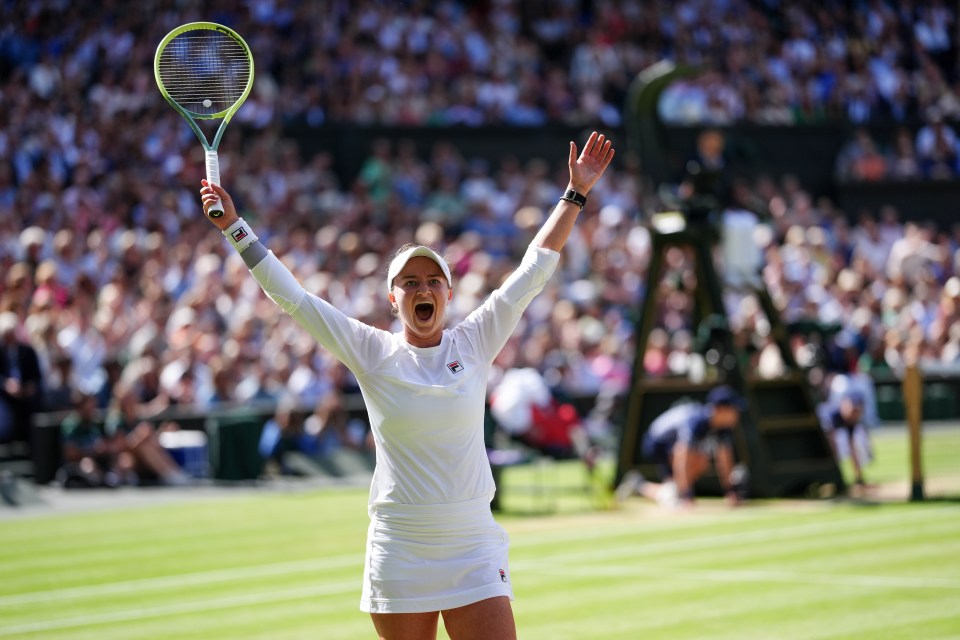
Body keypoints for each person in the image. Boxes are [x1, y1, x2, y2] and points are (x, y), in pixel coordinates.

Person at [200, 132, 614, 640]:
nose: (422, 288)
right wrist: (235, 228)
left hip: (473, 543)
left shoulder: (476, 338)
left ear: (448, 291)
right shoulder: (371, 350)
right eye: (409, 283)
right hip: (400, 545)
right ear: (393, 301)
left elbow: (533, 270)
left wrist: (575, 193)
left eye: (432, 280)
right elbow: (295, 299)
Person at [617, 385, 747, 508]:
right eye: (734, 409)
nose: (737, 414)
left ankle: (640, 486)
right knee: (699, 460)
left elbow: (724, 459)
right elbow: (682, 456)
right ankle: (670, 493)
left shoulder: (723, 428)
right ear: (721, 409)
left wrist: (731, 491)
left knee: (698, 464)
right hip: (657, 444)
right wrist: (686, 495)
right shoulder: (696, 421)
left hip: (671, 447)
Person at [0, 311, 43, 449]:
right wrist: (6, 384)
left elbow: (36, 376)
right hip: (4, 397)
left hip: (26, 396)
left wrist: (30, 386)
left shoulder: (28, 351)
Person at [820, 390, 873, 492]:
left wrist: (859, 477)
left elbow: (852, 448)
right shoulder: (832, 414)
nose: (855, 415)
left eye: (858, 412)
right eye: (853, 411)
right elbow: (831, 445)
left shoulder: (850, 421)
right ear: (845, 405)